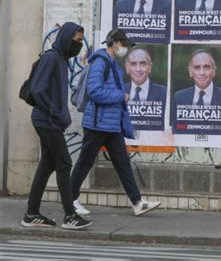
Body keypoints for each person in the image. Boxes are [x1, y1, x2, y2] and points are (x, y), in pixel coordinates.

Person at [70, 29, 160, 217]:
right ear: (114, 44)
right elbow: (94, 91)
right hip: (97, 124)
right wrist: (121, 95)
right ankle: (69, 200)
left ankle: (137, 202)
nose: (125, 48)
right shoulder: (100, 62)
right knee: (85, 163)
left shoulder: (112, 64)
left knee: (123, 163)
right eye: (124, 44)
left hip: (111, 125)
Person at [22, 22, 92, 230]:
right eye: (77, 40)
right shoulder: (51, 58)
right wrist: (58, 113)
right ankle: (70, 215)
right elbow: (37, 90)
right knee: (64, 163)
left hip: (50, 121)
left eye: (81, 41)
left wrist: (60, 114)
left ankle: (31, 214)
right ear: (66, 38)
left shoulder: (61, 60)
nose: (79, 45)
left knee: (48, 165)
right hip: (46, 121)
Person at [171, 50, 221, 135]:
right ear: (190, 71)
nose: (202, 73)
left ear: (214, 71)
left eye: (206, 67)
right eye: (197, 67)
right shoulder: (179, 97)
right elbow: (176, 132)